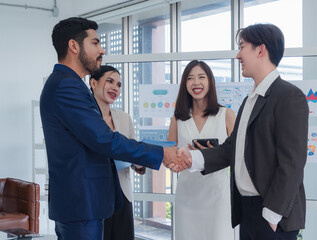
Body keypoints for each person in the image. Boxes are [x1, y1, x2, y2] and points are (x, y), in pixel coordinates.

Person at [40, 17, 187, 240]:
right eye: (96, 43)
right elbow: (104, 140)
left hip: (84, 204)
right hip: (81, 205)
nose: (102, 49)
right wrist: (161, 153)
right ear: (74, 46)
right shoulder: (66, 86)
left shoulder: (68, 84)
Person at [177, 23, 309, 240]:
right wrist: (191, 158)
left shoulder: (288, 96)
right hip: (247, 211)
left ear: (260, 50)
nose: (238, 55)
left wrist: (273, 213)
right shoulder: (249, 100)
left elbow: (292, 163)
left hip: (272, 214)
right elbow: (232, 148)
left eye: (242, 47)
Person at [167, 60, 236, 240]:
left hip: (218, 195)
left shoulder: (226, 115)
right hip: (187, 196)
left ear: (210, 82)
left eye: (201, 77)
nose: (196, 83)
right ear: (185, 84)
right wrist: (181, 157)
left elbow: (238, 154)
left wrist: (214, 154)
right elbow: (168, 157)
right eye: (190, 78)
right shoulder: (178, 118)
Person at [90, 65, 144, 240]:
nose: (115, 88)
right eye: (110, 81)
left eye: (119, 85)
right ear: (93, 83)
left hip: (122, 194)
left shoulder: (124, 118)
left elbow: (133, 152)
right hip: (94, 194)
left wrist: (140, 162)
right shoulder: (85, 118)